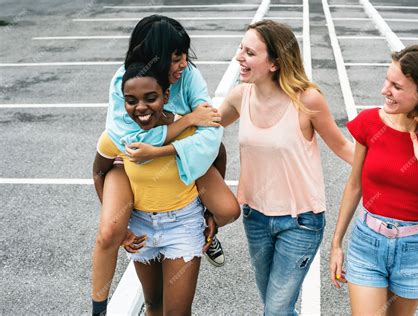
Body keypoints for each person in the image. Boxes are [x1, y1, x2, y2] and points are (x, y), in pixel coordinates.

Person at [90, 15, 240, 315]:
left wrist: (165, 147)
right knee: (111, 236)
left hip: (182, 203)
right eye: (175, 58)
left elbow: (212, 134)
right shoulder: (125, 81)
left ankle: (206, 220)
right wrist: (186, 121)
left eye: (184, 55)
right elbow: (128, 140)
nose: (183, 63)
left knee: (227, 209)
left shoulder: (189, 77)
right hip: (140, 200)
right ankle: (98, 309)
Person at [218, 20, 354, 315]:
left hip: (300, 221)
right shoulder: (242, 96)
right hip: (255, 217)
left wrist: (392, 168)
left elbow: (343, 147)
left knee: (276, 310)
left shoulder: (307, 99)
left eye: (250, 52)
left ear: (275, 63)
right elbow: (205, 128)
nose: (239, 57)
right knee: (275, 306)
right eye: (241, 48)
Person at [329, 45, 418, 315]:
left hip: (414, 250)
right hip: (367, 242)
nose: (385, 90)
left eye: (396, 86)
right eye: (387, 80)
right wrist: (336, 244)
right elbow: (354, 185)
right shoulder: (369, 122)